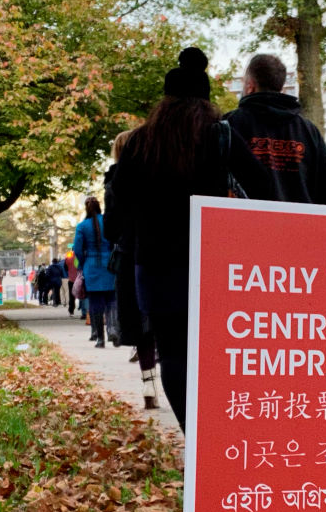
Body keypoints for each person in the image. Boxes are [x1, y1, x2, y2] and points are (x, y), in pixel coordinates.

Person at [111, 46, 274, 430]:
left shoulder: (138, 144)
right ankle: (218, 436)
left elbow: (117, 213)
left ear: (165, 101)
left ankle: (193, 435)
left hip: (153, 267)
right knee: (215, 354)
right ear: (205, 101)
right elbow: (264, 189)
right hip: (211, 263)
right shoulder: (220, 136)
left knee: (173, 353)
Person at [225, 53, 326, 206]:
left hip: (242, 224)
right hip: (299, 226)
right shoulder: (308, 131)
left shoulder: (230, 125)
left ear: (250, 85)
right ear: (280, 85)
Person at [103, 128, 160, 410]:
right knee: (163, 320)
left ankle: (149, 383)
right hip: (160, 251)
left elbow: (110, 229)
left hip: (129, 255)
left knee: (140, 326)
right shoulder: (157, 173)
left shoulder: (115, 181)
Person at [72, 197, 117, 347]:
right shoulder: (108, 222)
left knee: (95, 303)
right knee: (112, 300)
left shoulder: (82, 226)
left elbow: (77, 249)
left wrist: (84, 263)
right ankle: (113, 331)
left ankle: (99, 338)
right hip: (110, 265)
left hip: (91, 266)